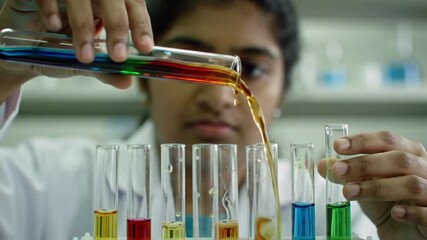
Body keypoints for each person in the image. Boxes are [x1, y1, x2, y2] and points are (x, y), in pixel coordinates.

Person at [0, 0, 426, 239]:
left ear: (282, 92)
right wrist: (4, 63)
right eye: (187, 64)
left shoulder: (344, 207)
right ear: (144, 79)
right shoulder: (43, 180)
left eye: (251, 69)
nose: (219, 96)